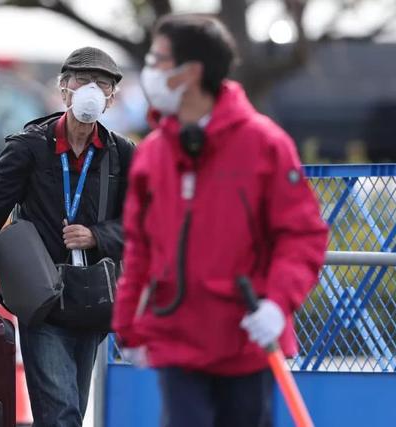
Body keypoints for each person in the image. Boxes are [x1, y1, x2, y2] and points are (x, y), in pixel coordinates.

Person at [112, 14, 328, 427]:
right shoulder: (154, 154)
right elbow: (138, 246)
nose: (149, 72)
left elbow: (302, 235)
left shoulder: (265, 144)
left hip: (248, 339)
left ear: (189, 73)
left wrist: (278, 304)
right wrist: (127, 326)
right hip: (177, 337)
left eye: (157, 60)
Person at [0, 46, 135, 427]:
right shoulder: (29, 148)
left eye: (102, 85)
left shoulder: (122, 155)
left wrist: (98, 236)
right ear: (63, 88)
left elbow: (144, 224)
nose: (92, 91)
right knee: (61, 413)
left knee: (71, 410)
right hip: (43, 299)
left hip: (94, 300)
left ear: (112, 98)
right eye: (83, 81)